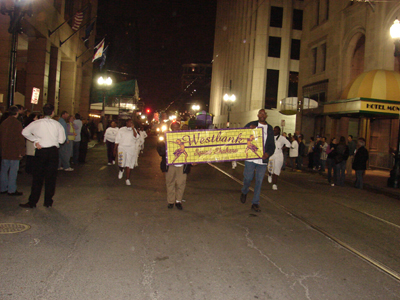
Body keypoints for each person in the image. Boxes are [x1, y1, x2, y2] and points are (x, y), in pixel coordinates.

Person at [20, 104, 66, 208]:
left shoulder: (37, 123)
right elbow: (61, 140)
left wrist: (36, 140)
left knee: (37, 177)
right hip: (53, 151)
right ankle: (48, 201)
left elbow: (24, 132)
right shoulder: (57, 124)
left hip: (41, 151)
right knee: (51, 178)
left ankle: (33, 202)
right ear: (53, 112)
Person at [240, 109, 275, 212]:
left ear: (266, 116)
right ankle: (244, 191)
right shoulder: (251, 124)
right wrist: (248, 129)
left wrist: (268, 154)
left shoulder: (269, 128)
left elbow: (272, 145)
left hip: (262, 160)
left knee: (259, 181)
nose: (262, 115)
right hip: (251, 158)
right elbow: (241, 134)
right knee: (248, 178)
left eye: (264, 113)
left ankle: (255, 203)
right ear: (258, 115)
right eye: (261, 113)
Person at [157, 121, 191, 210]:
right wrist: (164, 143)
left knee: (181, 183)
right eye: (174, 127)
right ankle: (171, 201)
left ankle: (178, 201)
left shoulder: (185, 138)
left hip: (182, 165)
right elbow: (160, 152)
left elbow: (191, 150)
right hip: (170, 164)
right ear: (171, 128)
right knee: (170, 183)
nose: (176, 129)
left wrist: (193, 161)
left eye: (177, 127)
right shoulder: (165, 137)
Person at [0, 106, 26, 196]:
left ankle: (3, 187)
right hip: (14, 151)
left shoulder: (4, 123)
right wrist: (22, 151)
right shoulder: (17, 123)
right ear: (16, 113)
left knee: (4, 170)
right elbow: (19, 138)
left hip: (5, 150)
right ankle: (11, 189)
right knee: (13, 171)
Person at [114, 119, 140, 186]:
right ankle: (121, 170)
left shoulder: (133, 130)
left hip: (130, 148)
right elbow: (117, 139)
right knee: (121, 162)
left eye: (132, 122)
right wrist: (114, 149)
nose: (131, 123)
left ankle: (127, 179)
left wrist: (133, 128)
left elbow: (136, 137)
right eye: (129, 122)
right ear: (126, 122)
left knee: (128, 164)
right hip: (122, 148)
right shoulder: (122, 129)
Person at [267, 126, 291, 190]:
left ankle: (274, 184)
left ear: (278, 131)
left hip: (279, 155)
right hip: (271, 155)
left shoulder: (282, 138)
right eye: (273, 130)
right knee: (270, 167)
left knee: (277, 169)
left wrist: (282, 148)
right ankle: (269, 174)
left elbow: (288, 144)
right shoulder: (270, 137)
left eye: (275, 130)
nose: (274, 131)